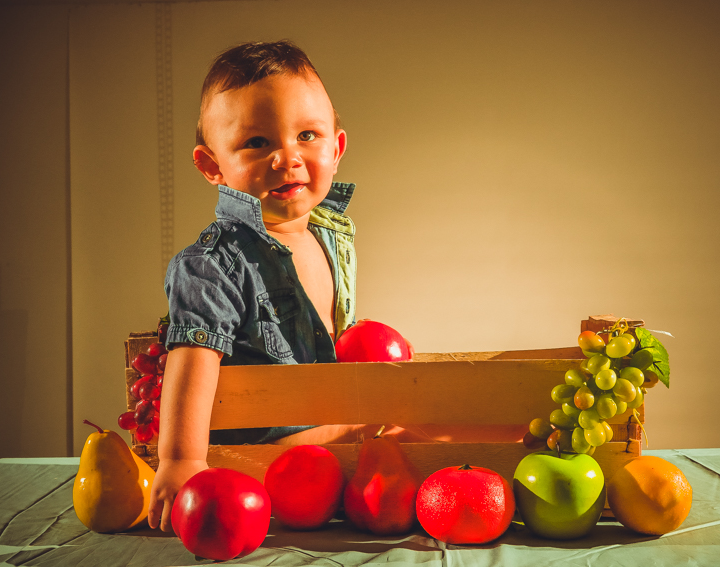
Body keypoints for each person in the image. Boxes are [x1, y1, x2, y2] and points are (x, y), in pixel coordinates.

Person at [147, 40, 524, 532]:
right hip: (268, 445)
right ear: (212, 166)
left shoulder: (329, 235)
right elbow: (190, 363)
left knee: (419, 419)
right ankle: (492, 451)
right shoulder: (212, 264)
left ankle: (517, 437)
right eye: (257, 143)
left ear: (337, 148)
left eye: (307, 135)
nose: (288, 157)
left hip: (328, 419)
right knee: (393, 423)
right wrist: (180, 461)